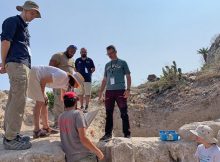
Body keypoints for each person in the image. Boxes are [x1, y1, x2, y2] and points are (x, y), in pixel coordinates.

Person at [0, 1, 41, 150]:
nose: (33, 16)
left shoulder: (24, 27)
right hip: (16, 64)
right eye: (32, 13)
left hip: (22, 65)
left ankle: (12, 134)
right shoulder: (12, 21)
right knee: (18, 101)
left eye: (35, 15)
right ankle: (10, 139)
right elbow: (5, 41)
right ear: (24, 10)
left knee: (14, 100)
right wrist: (3, 63)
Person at [28, 65, 84, 138]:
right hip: (35, 74)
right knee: (40, 101)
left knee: (45, 102)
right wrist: (42, 95)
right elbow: (43, 80)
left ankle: (46, 127)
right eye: (77, 84)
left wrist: (73, 108)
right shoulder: (62, 76)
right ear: (74, 80)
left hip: (39, 79)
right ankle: (36, 131)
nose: (76, 87)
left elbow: (63, 98)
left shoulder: (67, 84)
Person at [59, 91, 104, 162]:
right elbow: (83, 139)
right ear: (75, 102)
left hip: (70, 158)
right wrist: (98, 152)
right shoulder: (77, 114)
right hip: (83, 156)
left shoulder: (61, 116)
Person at [98, 45, 131, 141]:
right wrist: (101, 91)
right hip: (109, 91)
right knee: (108, 113)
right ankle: (108, 134)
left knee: (124, 112)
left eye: (111, 53)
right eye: (108, 54)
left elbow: (128, 76)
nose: (110, 55)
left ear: (115, 51)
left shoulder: (123, 63)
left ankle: (127, 134)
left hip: (120, 90)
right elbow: (104, 79)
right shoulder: (107, 65)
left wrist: (128, 89)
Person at [49, 45, 77, 128]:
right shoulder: (58, 55)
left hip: (69, 85)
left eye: (74, 53)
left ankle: (67, 123)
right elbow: (50, 67)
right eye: (71, 52)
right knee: (59, 103)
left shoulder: (72, 60)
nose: (72, 54)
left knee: (69, 103)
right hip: (59, 83)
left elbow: (73, 72)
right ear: (67, 49)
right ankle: (58, 124)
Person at [75, 48, 95, 112]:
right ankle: (81, 106)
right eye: (82, 52)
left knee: (87, 93)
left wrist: (90, 73)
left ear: (86, 52)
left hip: (87, 79)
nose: (84, 53)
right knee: (80, 93)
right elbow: (75, 69)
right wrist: (78, 74)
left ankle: (86, 106)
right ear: (80, 53)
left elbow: (93, 68)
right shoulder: (77, 60)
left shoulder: (90, 60)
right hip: (79, 79)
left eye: (85, 52)